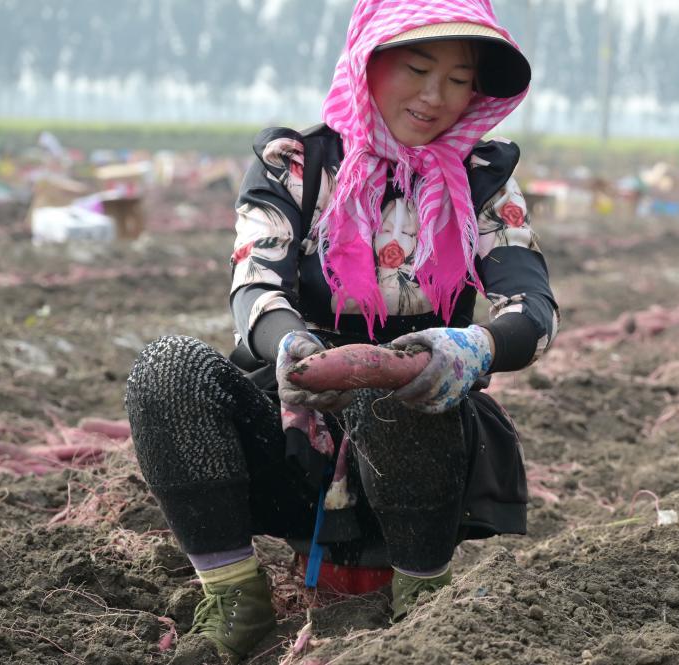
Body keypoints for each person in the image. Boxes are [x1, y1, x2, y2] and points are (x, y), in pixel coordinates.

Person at [124, 1, 558, 661]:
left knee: (392, 384)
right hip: (299, 430)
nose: (435, 96)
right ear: (367, 61)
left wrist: (468, 348)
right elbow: (256, 287)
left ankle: (423, 604)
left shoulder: (485, 180)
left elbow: (532, 308)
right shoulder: (294, 165)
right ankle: (235, 602)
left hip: (422, 437)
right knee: (167, 369)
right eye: (416, 68)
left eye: (459, 79)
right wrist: (295, 352)